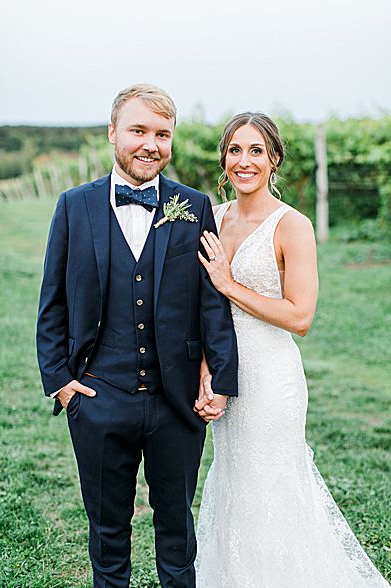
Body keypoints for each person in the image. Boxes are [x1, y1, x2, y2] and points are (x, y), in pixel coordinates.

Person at [35, 83, 238, 588]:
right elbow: (53, 301)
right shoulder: (73, 206)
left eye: (162, 134)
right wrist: (61, 382)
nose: (151, 144)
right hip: (97, 398)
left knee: (178, 535)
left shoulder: (193, 205)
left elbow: (212, 301)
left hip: (177, 402)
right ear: (113, 133)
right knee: (107, 535)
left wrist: (219, 378)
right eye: (138, 131)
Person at [193, 112, 389, 586]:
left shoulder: (292, 226)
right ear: (223, 159)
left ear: (274, 159)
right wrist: (206, 371)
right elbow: (202, 307)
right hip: (224, 374)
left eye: (256, 151)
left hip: (270, 379)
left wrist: (229, 284)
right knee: (235, 482)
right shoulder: (212, 217)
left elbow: (300, 317)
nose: (244, 161)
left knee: (271, 488)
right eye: (235, 150)